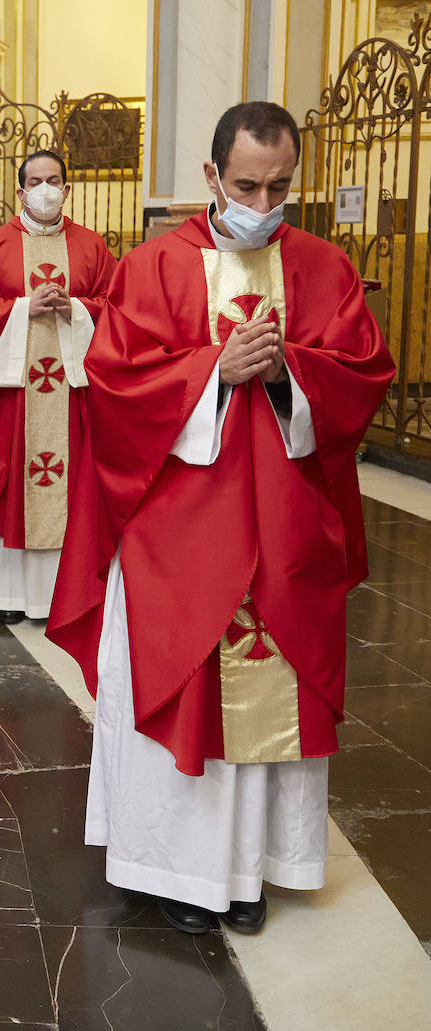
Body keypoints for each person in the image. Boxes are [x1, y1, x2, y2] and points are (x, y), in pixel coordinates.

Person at [47, 102, 395, 936]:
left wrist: (286, 376)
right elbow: (116, 384)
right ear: (212, 176)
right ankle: (169, 868)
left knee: (272, 688)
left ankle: (251, 871)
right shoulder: (153, 266)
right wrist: (213, 369)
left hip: (284, 532)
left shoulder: (322, 267)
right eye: (246, 184)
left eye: (279, 186)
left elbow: (360, 376)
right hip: (180, 536)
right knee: (184, 687)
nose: (263, 201)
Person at [0, 150, 116, 624]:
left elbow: (117, 307)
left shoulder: (92, 247)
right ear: (20, 192)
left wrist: (76, 309)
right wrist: (21, 309)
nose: (45, 189)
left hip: (71, 396)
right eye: (35, 181)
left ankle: (66, 596)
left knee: (72, 491)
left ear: (67, 188)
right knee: (10, 488)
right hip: (10, 401)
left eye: (53, 180)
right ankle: (7, 597)